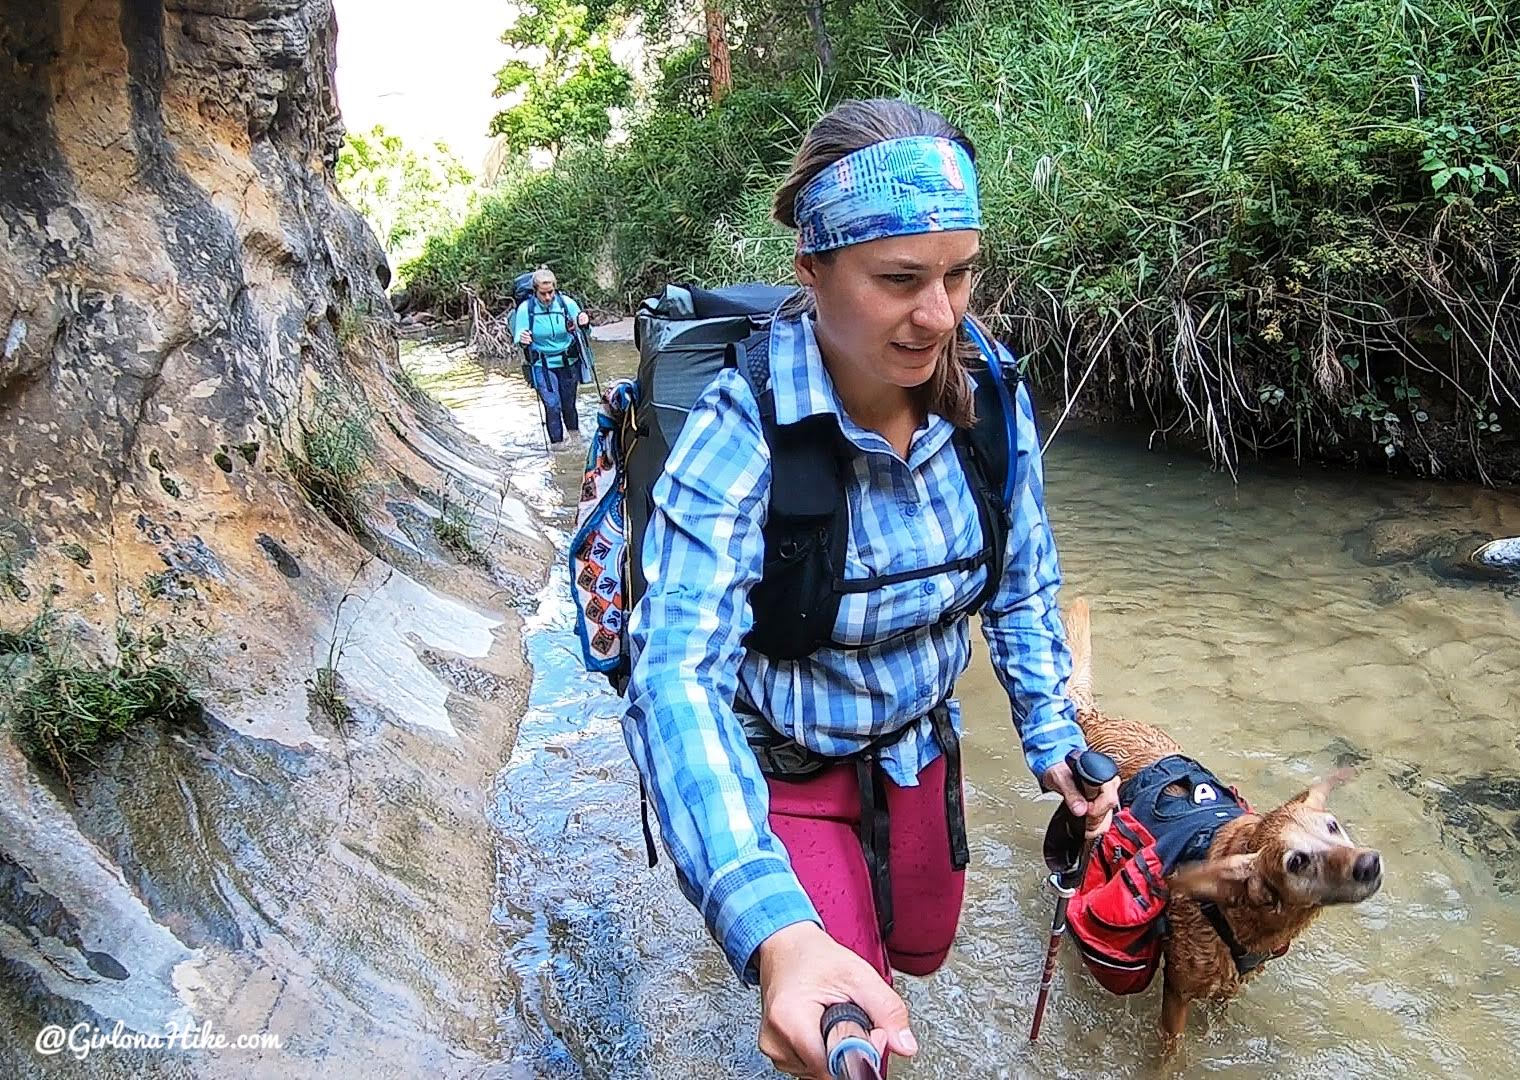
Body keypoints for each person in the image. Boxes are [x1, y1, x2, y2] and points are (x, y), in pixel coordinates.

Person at [619, 99, 1120, 1078]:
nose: (938, 315)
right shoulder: (739, 430)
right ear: (810, 272)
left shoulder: (990, 390)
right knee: (853, 1021)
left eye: (959, 273)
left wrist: (1052, 737)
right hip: (786, 764)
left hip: (914, 748)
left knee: (919, 956)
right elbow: (674, 677)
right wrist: (773, 928)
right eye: (899, 280)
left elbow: (1019, 579)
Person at [514, 267, 591, 445]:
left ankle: (576, 441)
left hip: (568, 362)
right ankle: (558, 450)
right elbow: (519, 336)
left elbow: (584, 328)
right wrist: (523, 339)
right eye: (543, 294)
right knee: (552, 406)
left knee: (569, 407)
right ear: (535, 292)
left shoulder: (566, 304)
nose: (548, 297)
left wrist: (584, 322)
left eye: (551, 292)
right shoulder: (526, 309)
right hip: (542, 365)